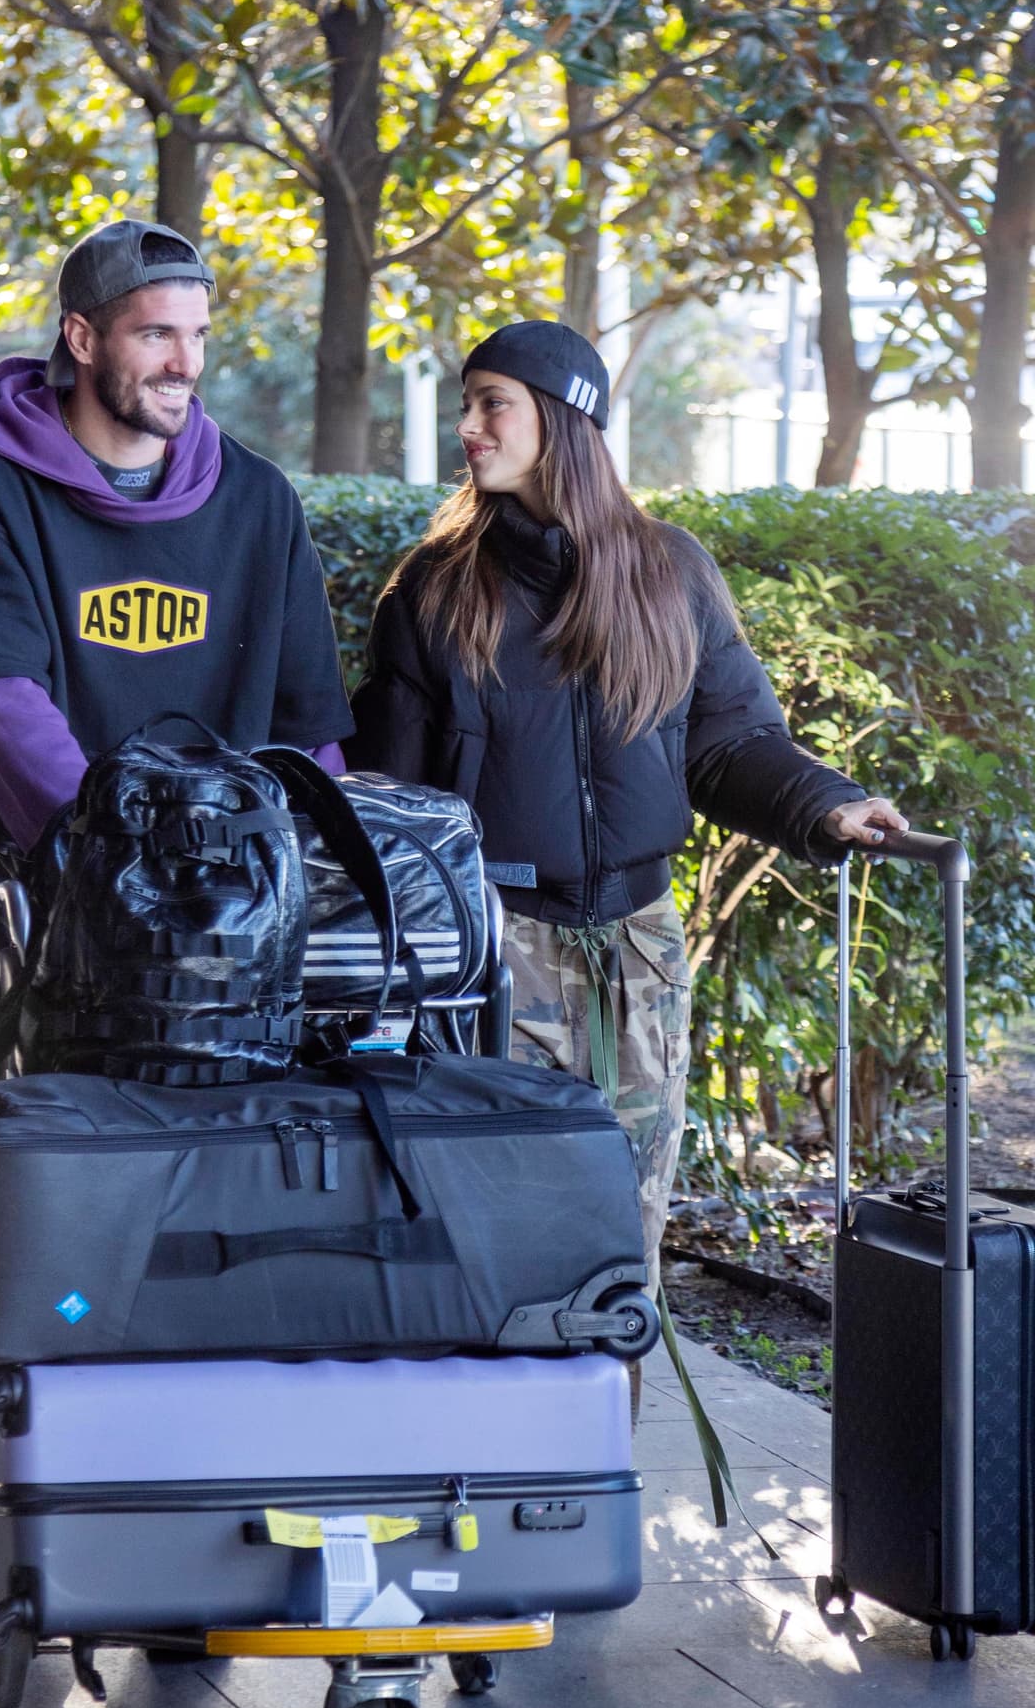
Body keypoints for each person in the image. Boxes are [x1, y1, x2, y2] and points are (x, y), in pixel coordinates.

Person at [348, 319, 906, 1305]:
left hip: (639, 951)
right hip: (494, 952)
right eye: (466, 405)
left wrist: (827, 806)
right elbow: (387, 804)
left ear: (562, 420)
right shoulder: (433, 592)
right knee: (502, 1239)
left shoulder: (667, 571)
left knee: (623, 1242)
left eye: (492, 404)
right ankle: (508, 1455)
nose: (467, 428)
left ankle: (607, 1446)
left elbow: (726, 743)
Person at [0, 219, 353, 1123]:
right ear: (82, 338)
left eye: (197, 336)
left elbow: (309, 731)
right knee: (20, 1236)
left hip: (228, 966)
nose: (184, 363)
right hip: (32, 945)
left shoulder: (259, 499)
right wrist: (125, 884)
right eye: (156, 334)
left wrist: (301, 901)